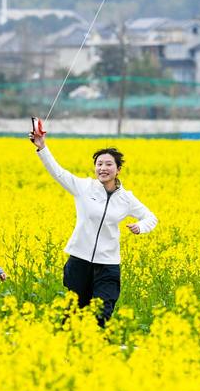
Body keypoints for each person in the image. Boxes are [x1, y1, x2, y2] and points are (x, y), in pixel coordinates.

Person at [30, 126, 157, 326]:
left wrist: (141, 227)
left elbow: (151, 217)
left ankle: (97, 350)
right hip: (79, 261)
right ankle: (67, 352)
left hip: (108, 265)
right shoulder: (84, 187)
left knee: (103, 313)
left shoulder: (126, 198)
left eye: (108, 164)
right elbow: (58, 173)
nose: (103, 168)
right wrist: (42, 148)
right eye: (99, 164)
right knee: (73, 313)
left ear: (118, 169)